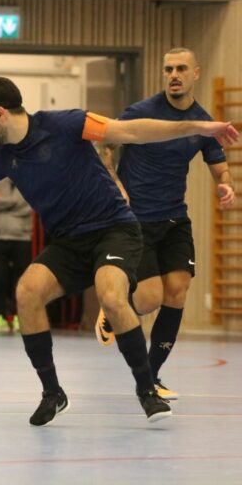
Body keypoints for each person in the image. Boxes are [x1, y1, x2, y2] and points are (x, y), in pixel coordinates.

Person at [0, 76, 237, 426]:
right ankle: (53, 393)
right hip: (69, 242)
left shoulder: (67, 124)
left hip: (113, 229)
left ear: (1, 113)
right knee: (27, 292)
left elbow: (131, 131)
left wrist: (199, 128)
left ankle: (147, 391)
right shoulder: (2, 156)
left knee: (112, 297)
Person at [94, 48, 235, 400]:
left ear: (195, 74)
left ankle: (152, 377)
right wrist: (116, 183)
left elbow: (219, 164)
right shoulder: (141, 113)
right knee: (151, 296)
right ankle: (115, 305)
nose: (174, 74)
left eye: (181, 68)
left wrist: (226, 184)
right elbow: (103, 144)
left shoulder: (202, 122)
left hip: (175, 218)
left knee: (178, 291)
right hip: (136, 220)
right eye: (168, 68)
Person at [0, 177, 32, 333]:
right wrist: (15, 201)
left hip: (22, 238)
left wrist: (4, 203)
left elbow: (29, 206)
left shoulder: (28, 178)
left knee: (21, 281)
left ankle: (20, 318)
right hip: (0, 236)